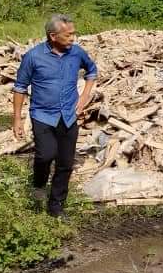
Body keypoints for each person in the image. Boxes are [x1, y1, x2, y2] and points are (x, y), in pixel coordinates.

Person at [12, 14, 98, 218]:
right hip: (42, 115)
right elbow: (20, 87)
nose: (73, 38)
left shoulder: (77, 53)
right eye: (68, 35)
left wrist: (85, 96)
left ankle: (56, 207)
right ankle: (39, 185)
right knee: (45, 154)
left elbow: (92, 71)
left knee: (66, 163)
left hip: (68, 115)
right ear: (53, 36)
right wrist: (17, 119)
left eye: (74, 34)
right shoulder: (33, 56)